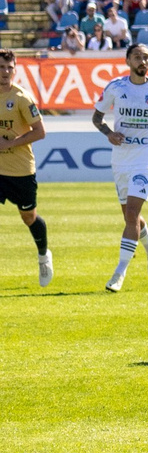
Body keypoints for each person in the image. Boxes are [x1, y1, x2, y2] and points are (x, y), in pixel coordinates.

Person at [92, 41, 148, 291]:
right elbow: (97, 117)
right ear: (128, 61)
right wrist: (108, 132)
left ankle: (119, 273)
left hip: (146, 157)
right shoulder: (115, 88)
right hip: (121, 158)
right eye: (137, 57)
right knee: (131, 216)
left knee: (131, 216)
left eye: (146, 57)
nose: (143, 62)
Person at [0, 51, 50, 286]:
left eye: (9, 67)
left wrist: (10, 143)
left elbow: (40, 132)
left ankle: (43, 255)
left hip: (20, 170)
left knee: (28, 217)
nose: (5, 72)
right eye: (1, 67)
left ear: (15, 69)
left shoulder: (22, 98)